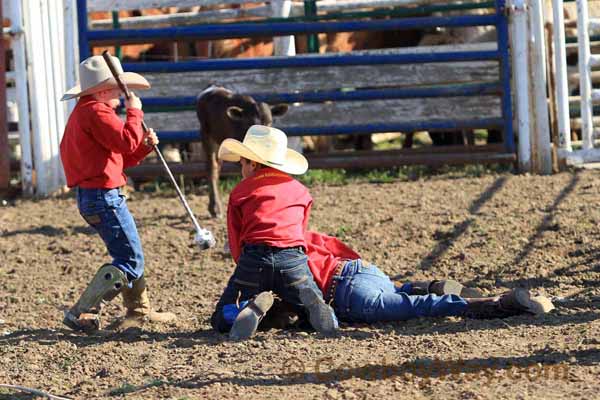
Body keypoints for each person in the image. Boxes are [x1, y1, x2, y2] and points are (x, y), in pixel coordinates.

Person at [224, 230, 554, 328]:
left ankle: (491, 303)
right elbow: (337, 249)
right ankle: (420, 285)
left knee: (411, 308)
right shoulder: (295, 231)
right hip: (364, 271)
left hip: (348, 291)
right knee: (396, 295)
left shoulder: (263, 259)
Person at [60, 55, 175, 332]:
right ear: (102, 91)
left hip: (95, 195)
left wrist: (143, 146)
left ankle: (138, 311)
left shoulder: (86, 113)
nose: (123, 95)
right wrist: (135, 113)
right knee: (129, 259)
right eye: (117, 89)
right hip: (104, 197)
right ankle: (82, 311)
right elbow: (125, 140)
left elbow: (118, 156)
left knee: (129, 252)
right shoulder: (96, 112)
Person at [210, 125, 338, 340]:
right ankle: (315, 310)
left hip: (254, 259)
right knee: (304, 311)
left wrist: (244, 265)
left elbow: (236, 237)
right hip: (293, 259)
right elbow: (301, 231)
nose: (241, 168)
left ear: (252, 163)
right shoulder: (300, 191)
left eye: (242, 163)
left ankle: (244, 310)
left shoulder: (241, 191)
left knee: (219, 319)